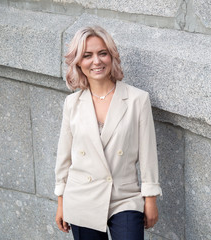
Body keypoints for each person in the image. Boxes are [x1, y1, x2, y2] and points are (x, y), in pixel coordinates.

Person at [54, 25, 162, 240]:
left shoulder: (137, 99)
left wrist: (150, 199)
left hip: (124, 197)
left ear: (112, 57)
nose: (96, 61)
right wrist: (61, 202)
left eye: (102, 53)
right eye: (87, 55)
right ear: (78, 62)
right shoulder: (72, 103)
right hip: (82, 198)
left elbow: (148, 154)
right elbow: (64, 157)